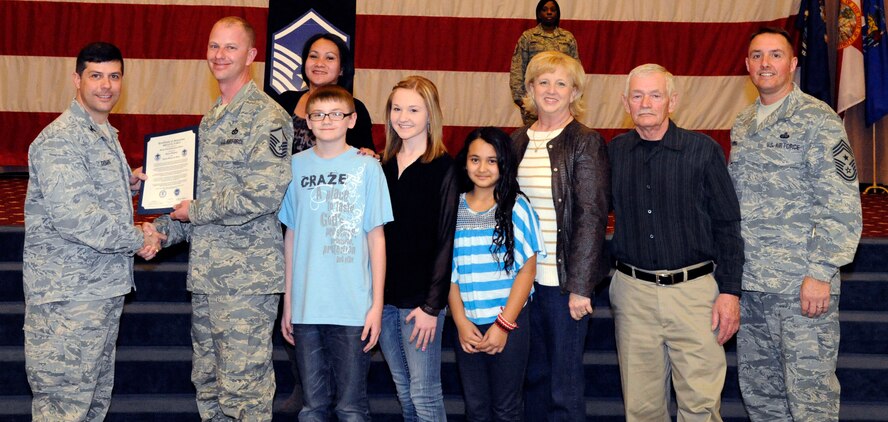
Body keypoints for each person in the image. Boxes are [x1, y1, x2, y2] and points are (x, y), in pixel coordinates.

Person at [144, 17, 292, 421]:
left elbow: (263, 194)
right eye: (214, 46)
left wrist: (196, 210)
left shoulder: (268, 117)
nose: (220, 55)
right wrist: (162, 229)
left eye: (230, 47)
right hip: (209, 277)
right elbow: (193, 199)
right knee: (208, 385)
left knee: (244, 391)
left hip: (245, 280)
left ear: (251, 55)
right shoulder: (211, 120)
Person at [23, 41, 163, 420]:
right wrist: (139, 238)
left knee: (92, 406)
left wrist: (127, 183)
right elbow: (75, 217)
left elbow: (90, 193)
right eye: (96, 76)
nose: (106, 85)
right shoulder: (60, 139)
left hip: (99, 294)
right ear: (77, 80)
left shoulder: (103, 132)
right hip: (68, 300)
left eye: (114, 76)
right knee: (63, 409)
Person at [729, 27, 862, 421]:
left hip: (800, 287)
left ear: (792, 63)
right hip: (752, 286)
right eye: (756, 56)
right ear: (747, 65)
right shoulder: (743, 123)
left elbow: (841, 203)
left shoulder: (817, 120)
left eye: (774, 55)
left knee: (810, 398)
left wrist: (821, 272)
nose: (765, 63)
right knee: (762, 396)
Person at [608, 63, 743, 421]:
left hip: (695, 295)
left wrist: (730, 293)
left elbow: (728, 225)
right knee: (642, 409)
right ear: (625, 102)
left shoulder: (703, 151)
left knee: (700, 406)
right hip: (633, 294)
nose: (646, 103)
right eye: (637, 95)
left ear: (672, 101)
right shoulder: (614, 153)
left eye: (655, 94)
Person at [278, 84, 393, 421]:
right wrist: (289, 302)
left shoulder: (368, 167)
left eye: (335, 114)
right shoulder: (294, 167)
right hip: (306, 305)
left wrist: (376, 304)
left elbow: (377, 238)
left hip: (353, 306)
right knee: (312, 406)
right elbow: (291, 235)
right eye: (318, 115)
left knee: (351, 407)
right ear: (308, 121)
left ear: (351, 119)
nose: (327, 120)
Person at [511, 51, 610, 422]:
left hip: (563, 284)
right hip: (523, 284)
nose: (551, 90)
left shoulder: (585, 142)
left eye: (561, 83)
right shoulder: (516, 141)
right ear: (530, 89)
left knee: (563, 385)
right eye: (543, 81)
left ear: (574, 92)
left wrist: (581, 286)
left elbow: (592, 216)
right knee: (531, 377)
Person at [449, 127, 546, 422]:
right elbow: (448, 274)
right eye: (475, 159)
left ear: (504, 164)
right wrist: (461, 322)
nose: (482, 168)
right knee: (476, 408)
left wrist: (503, 326)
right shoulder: (454, 207)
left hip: (508, 323)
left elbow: (527, 271)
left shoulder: (516, 206)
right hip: (467, 325)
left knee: (506, 407)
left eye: (492, 161)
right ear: (465, 162)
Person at [377, 75, 457, 422]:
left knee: (425, 397)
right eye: (397, 108)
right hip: (383, 301)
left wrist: (431, 305)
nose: (403, 116)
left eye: (413, 108)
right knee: (405, 394)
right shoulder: (380, 168)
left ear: (430, 115)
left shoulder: (445, 169)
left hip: (421, 304)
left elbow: (446, 241)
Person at [277, 33, 375, 154]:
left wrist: (369, 155)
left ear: (342, 69)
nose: (319, 63)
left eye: (329, 58)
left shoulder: (355, 108)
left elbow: (366, 154)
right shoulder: (284, 101)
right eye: (313, 56)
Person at [510, 0, 579, 125]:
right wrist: (523, 102)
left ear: (558, 13)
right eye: (545, 9)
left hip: (561, 102)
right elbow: (517, 70)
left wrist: (573, 99)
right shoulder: (528, 37)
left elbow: (575, 72)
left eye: (553, 10)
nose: (549, 12)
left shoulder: (568, 38)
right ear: (538, 13)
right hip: (534, 103)